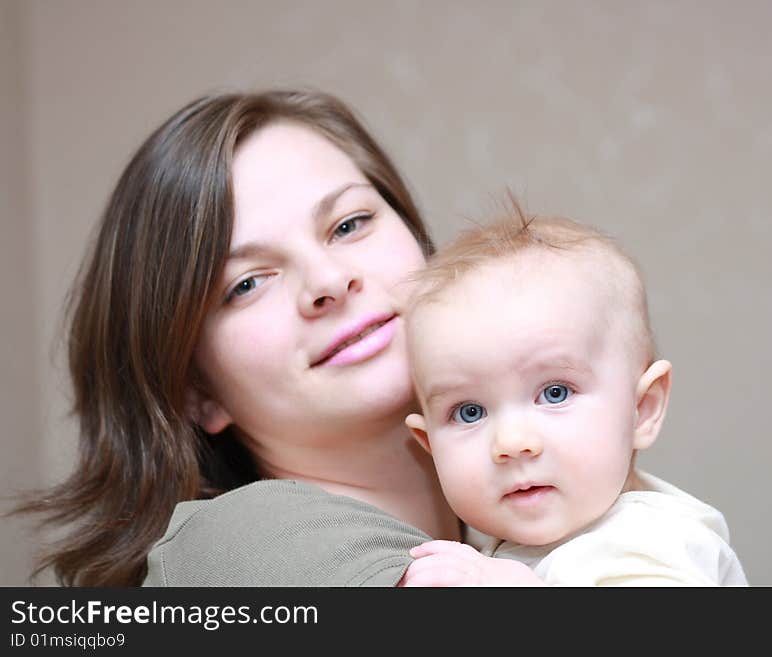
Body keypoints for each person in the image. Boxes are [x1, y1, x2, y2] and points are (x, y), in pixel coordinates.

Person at [15, 89, 460, 586]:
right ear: (196, 391)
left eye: (349, 225)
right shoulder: (232, 548)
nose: (329, 281)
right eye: (246, 284)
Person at [399, 204, 749, 586]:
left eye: (554, 393)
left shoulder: (651, 542)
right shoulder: (506, 554)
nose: (512, 443)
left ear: (642, 408)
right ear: (429, 445)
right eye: (469, 412)